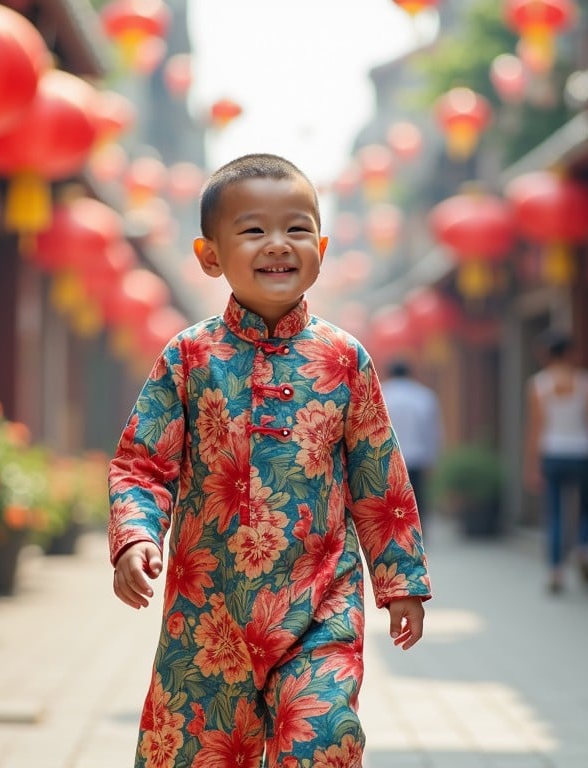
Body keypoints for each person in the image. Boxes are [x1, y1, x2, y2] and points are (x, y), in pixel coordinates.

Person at [108, 153, 432, 767]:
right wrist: (135, 536)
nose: (278, 245)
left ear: (323, 245)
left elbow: (379, 479)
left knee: (325, 738)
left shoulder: (344, 359)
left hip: (321, 607)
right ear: (210, 256)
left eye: (298, 228)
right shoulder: (189, 356)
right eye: (254, 230)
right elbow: (142, 464)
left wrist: (401, 583)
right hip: (206, 615)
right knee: (191, 754)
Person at [523, 329, 588, 595]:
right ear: (570, 352)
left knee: (554, 512)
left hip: (553, 452)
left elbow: (536, 428)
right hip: (583, 451)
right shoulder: (587, 382)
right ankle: (585, 547)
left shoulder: (539, 384)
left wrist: (531, 465)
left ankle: (555, 570)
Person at [380, 359, 443, 533]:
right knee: (417, 499)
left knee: (391, 500)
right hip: (417, 457)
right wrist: (433, 457)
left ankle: (394, 534)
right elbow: (432, 430)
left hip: (388, 457)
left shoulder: (381, 394)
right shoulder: (424, 396)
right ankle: (418, 535)